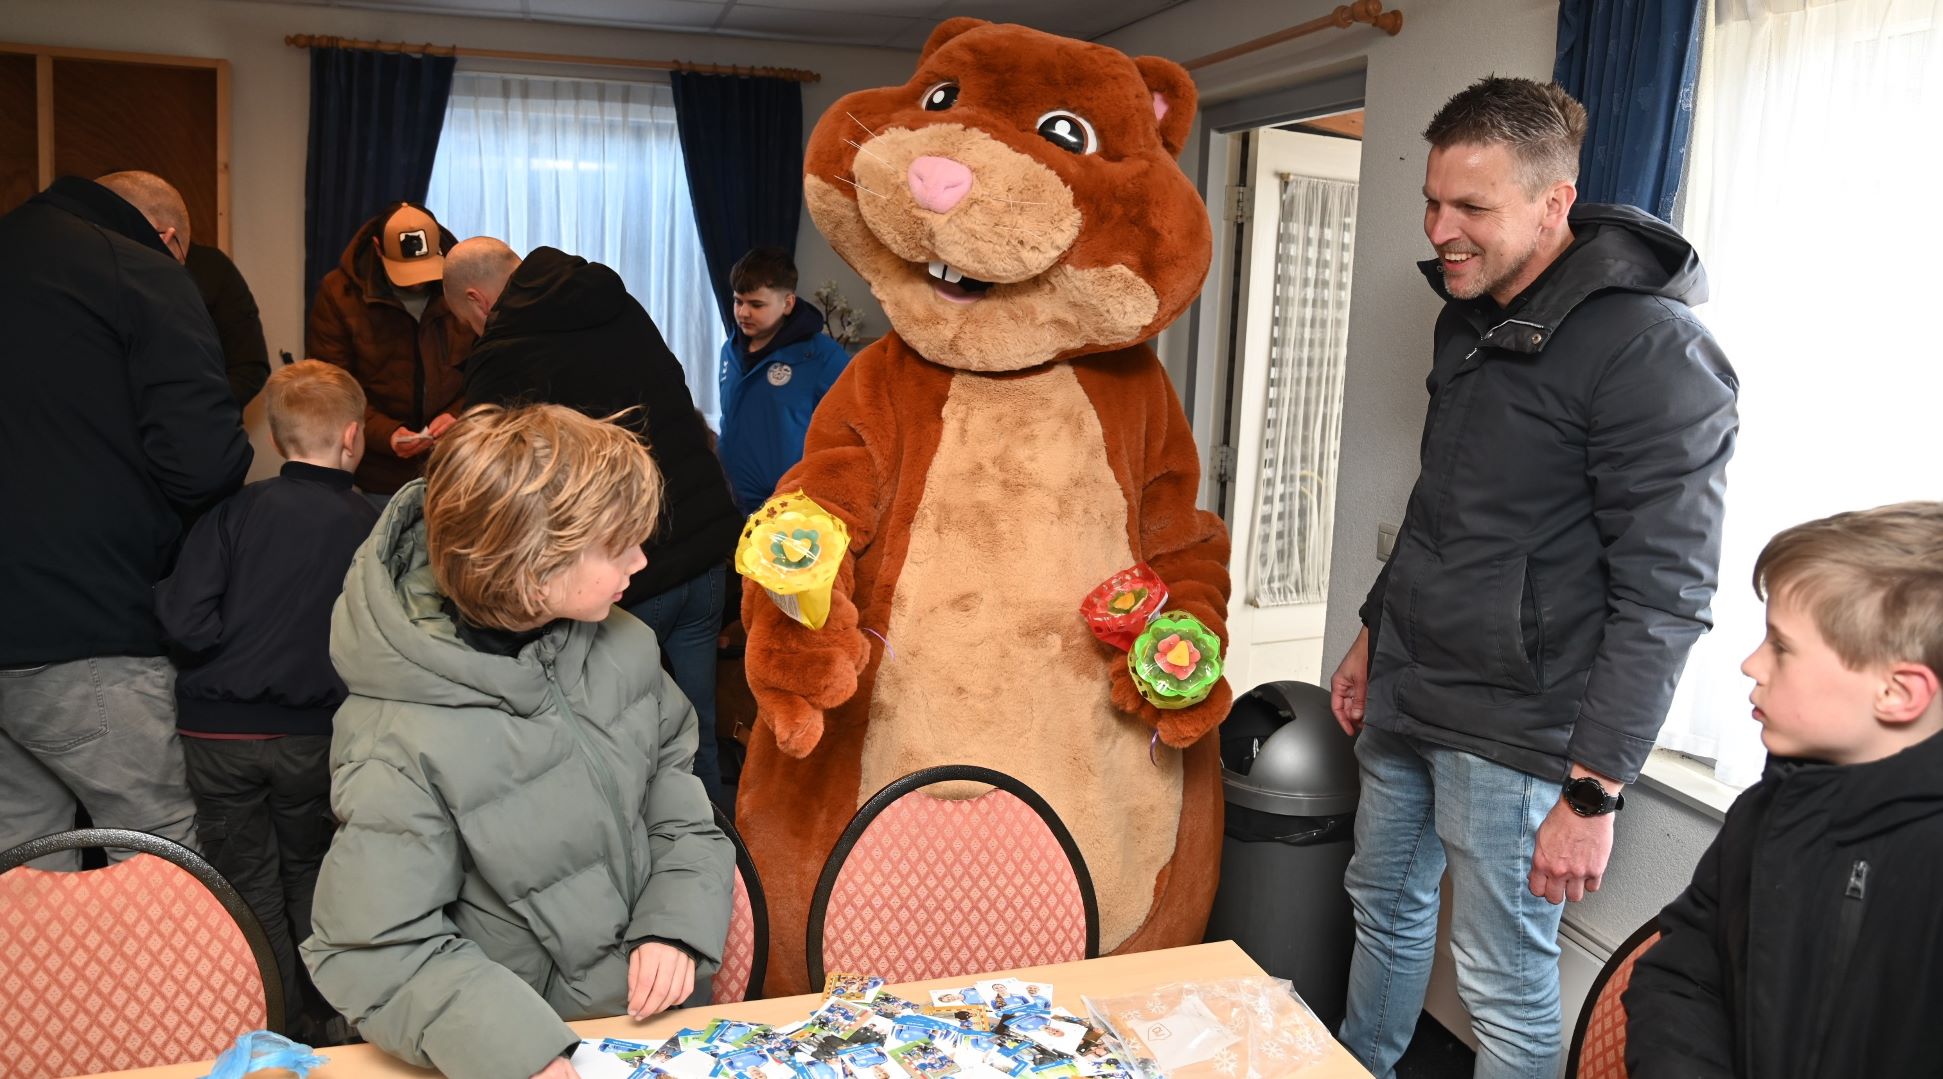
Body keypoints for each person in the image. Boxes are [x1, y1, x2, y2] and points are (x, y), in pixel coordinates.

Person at [1326, 77, 1739, 1079]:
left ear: (1552, 204)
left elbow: (1665, 594)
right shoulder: (1464, 316)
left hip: (1518, 730)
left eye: (1470, 208)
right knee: (1379, 909)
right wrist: (1370, 633)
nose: (1439, 230)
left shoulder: (1652, 349)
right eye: (1432, 201)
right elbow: (1443, 506)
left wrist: (1593, 792)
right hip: (1411, 686)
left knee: (1502, 980)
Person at [302, 404, 734, 1079]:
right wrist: (522, 1051)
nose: (642, 560)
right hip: (524, 1050)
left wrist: (674, 923)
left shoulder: (624, 643)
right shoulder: (399, 736)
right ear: (533, 570)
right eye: (616, 545)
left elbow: (679, 803)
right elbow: (376, 945)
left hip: (648, 1033)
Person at [1623, 502, 1943, 1079]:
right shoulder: (1768, 809)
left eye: (1782, 646)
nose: (1750, 663)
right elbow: (1683, 974)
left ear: (1898, 693)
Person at [0, 171, 251, 869]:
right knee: (156, 851)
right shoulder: (139, 269)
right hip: (84, 623)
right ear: (169, 238)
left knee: (20, 860)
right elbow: (205, 463)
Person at [444, 238, 743, 806]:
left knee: (622, 740)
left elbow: (487, 473)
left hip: (627, 566)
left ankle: (641, 873)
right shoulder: (613, 301)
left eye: (466, 322)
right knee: (695, 731)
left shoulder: (506, 348)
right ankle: (718, 866)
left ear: (479, 303)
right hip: (704, 546)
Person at [155, 360, 377, 1040]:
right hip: (316, 735)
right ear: (353, 436)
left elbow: (185, 623)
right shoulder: (373, 522)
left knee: (246, 882)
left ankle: (273, 1026)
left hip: (218, 736)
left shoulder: (232, 513)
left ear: (278, 442)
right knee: (311, 869)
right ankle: (333, 1020)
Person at [307, 201, 474, 503]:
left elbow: (489, 371)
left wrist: (458, 415)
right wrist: (386, 434)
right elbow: (333, 390)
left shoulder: (464, 282)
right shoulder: (339, 295)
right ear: (377, 248)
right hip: (377, 475)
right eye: (405, 272)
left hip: (456, 467)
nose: (419, 280)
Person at [715, 246, 851, 515]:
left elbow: (848, 435)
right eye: (738, 301)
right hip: (730, 499)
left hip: (788, 508)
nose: (743, 313)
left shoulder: (823, 358)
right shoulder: (729, 349)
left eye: (756, 305)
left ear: (787, 303)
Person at [185, 242, 272, 406]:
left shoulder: (213, 268)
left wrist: (204, 408)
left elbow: (250, 367)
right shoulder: (124, 267)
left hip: (210, 421)